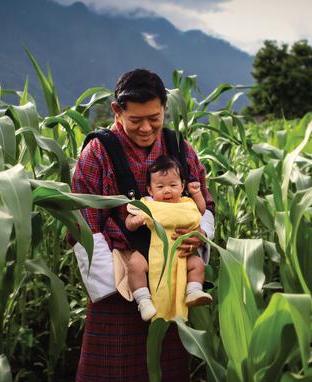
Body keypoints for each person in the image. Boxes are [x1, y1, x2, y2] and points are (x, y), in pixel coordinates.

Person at [70, 68, 216, 381]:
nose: (147, 128)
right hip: (122, 282)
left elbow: (206, 203)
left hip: (173, 282)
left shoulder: (180, 148)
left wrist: (199, 235)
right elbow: (83, 223)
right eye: (135, 120)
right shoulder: (97, 153)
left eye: (155, 117)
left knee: (166, 369)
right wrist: (120, 282)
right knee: (113, 370)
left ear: (165, 109)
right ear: (116, 111)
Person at [124, 155, 213, 321]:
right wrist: (134, 222)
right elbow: (129, 222)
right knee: (135, 264)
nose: (167, 190)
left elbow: (200, 210)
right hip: (151, 249)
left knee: (197, 264)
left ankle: (193, 291)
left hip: (179, 251)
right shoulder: (147, 203)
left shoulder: (185, 202)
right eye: (160, 186)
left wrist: (197, 193)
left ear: (182, 186)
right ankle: (143, 301)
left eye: (173, 185)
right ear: (150, 190)